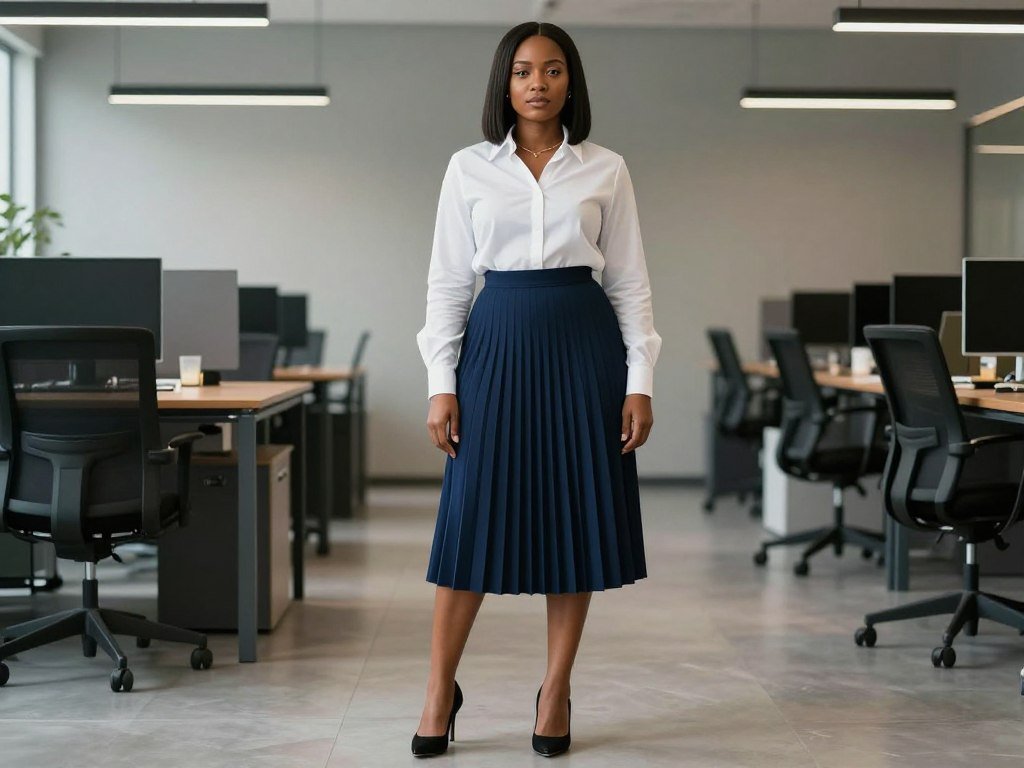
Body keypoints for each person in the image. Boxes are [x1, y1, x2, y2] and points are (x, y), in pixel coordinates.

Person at [412, 20, 662, 758]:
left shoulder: (606, 168)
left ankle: (555, 692)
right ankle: (438, 690)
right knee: (469, 522)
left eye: (553, 70)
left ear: (571, 82)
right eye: (524, 71)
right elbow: (448, 283)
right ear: (505, 83)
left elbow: (631, 283)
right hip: (495, 348)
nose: (538, 83)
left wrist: (639, 380)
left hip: (586, 352)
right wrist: (441, 382)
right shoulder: (467, 168)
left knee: (574, 521)